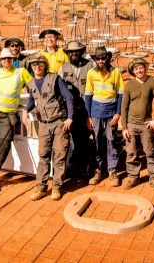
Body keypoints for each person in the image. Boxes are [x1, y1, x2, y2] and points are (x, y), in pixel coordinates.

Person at [23, 54, 75, 201]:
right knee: (43, 156)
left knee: (59, 156)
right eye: (34, 65)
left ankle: (57, 187)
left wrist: (70, 117)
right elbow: (32, 100)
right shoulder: (31, 83)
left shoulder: (55, 79)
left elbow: (68, 97)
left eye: (40, 64)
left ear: (45, 65)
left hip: (59, 122)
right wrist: (25, 111)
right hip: (43, 124)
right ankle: (41, 187)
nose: (37, 67)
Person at [0, 47, 33, 192]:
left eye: (9, 59)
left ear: (14, 60)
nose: (6, 61)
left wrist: (29, 106)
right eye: (4, 59)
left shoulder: (20, 72)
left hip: (8, 115)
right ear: (1, 61)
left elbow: (34, 87)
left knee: (5, 144)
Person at [119, 58, 154, 190]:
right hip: (131, 125)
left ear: (145, 68)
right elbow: (124, 107)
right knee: (131, 152)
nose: (139, 70)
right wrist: (124, 127)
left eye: (141, 68)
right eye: (136, 69)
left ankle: (153, 178)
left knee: (150, 151)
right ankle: (133, 177)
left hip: (146, 125)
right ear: (133, 71)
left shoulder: (151, 82)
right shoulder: (129, 85)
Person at [85, 46, 125, 186]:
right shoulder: (91, 73)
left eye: (103, 58)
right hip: (96, 112)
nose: (101, 61)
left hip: (111, 113)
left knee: (111, 141)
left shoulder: (115, 72)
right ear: (95, 59)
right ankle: (97, 170)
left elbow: (121, 95)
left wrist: (118, 113)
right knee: (96, 142)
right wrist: (88, 116)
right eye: (98, 58)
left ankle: (112, 171)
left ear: (107, 57)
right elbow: (88, 96)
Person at [57, 41, 94, 181]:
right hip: (72, 109)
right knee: (74, 138)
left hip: (88, 107)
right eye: (71, 52)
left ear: (81, 52)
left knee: (89, 136)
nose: (74, 53)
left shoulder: (91, 65)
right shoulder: (63, 68)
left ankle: (88, 166)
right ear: (67, 53)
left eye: (77, 51)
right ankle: (75, 165)